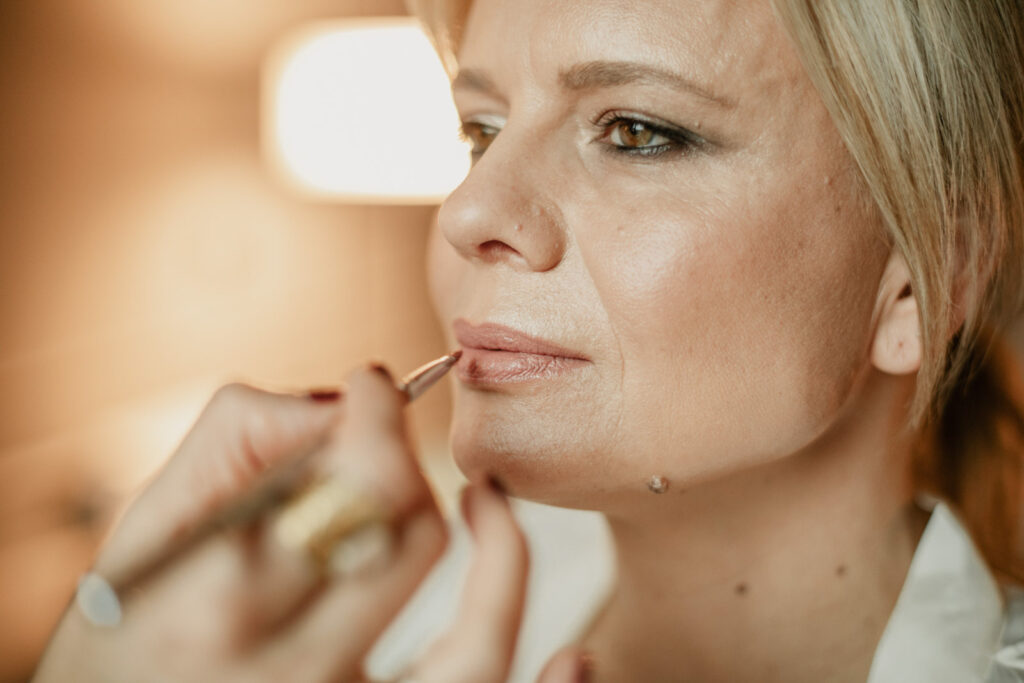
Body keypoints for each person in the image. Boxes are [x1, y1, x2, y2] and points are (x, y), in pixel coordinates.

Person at [33, 0, 1024, 680]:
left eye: (636, 130)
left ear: (925, 270)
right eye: (481, 129)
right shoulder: (374, 617)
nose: (468, 208)